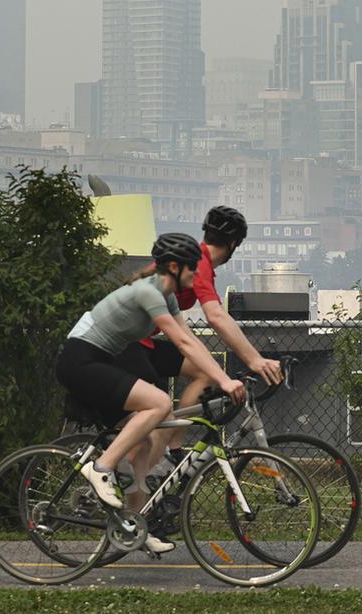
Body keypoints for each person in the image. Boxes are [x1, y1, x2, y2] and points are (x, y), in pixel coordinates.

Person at [56, 232, 245, 555]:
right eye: (191, 268)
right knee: (159, 403)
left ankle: (132, 525)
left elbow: (191, 343)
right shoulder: (148, 292)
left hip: (102, 360)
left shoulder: (168, 297)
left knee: (143, 442)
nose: (196, 274)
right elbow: (184, 344)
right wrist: (225, 381)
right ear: (174, 266)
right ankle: (101, 468)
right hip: (80, 359)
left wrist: (221, 376)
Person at [113, 206, 282, 456]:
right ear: (234, 243)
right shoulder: (198, 263)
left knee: (204, 373)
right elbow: (215, 316)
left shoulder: (197, 262)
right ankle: (148, 463)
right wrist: (255, 359)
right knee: (158, 411)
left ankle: (174, 450)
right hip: (126, 345)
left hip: (142, 342)